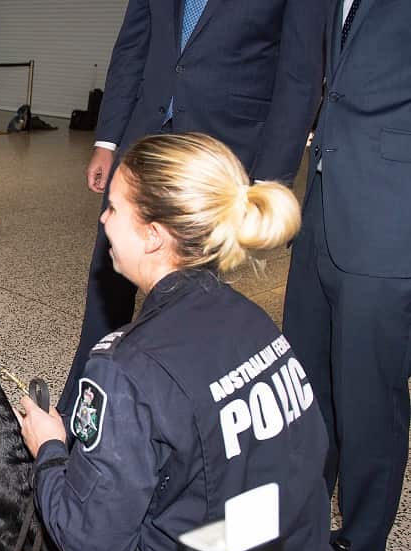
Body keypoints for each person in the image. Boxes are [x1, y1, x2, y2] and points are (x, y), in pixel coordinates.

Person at [0, 133, 336, 551]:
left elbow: (93, 549)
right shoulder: (256, 323)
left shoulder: (124, 367)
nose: (102, 222)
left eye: (114, 208)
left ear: (153, 236)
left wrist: (50, 449)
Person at [57, 0, 325, 421]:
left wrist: (270, 178)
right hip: (144, 139)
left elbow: (299, 73)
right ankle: (81, 413)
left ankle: (166, 427)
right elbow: (132, 45)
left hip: (219, 152)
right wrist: (108, 141)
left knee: (188, 301)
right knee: (107, 282)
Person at [282, 0, 411, 551]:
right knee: (307, 389)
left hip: (390, 222)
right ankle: (303, 524)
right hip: (324, 214)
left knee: (370, 402)